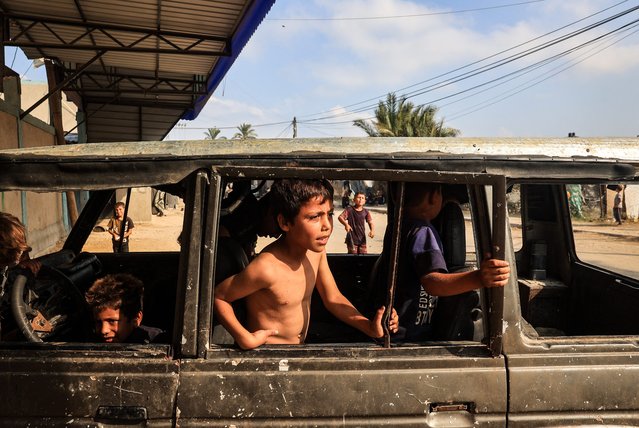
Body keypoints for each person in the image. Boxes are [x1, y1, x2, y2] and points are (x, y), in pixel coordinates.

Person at [214, 178, 399, 350]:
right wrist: (245, 338)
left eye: (329, 214)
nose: (326, 225)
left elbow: (333, 298)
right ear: (285, 222)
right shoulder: (266, 268)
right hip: (269, 357)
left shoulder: (315, 253)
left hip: (298, 350)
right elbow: (220, 297)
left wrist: (368, 326)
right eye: (314, 217)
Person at [393, 182, 510, 341]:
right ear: (435, 197)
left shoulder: (398, 226)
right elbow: (432, 283)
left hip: (397, 329)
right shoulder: (423, 231)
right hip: (409, 334)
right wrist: (480, 278)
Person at [85, 273, 166, 343]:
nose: (104, 330)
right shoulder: (89, 342)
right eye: (98, 322)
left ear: (136, 319)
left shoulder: (155, 341)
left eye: (112, 321)